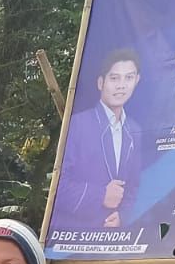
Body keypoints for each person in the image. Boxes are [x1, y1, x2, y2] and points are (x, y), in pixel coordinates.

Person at [59, 48, 144, 230]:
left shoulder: (134, 130)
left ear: (137, 80)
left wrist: (124, 216)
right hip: (75, 232)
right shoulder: (77, 124)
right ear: (100, 83)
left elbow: (134, 186)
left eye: (129, 78)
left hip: (115, 235)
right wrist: (100, 195)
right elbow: (58, 185)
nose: (121, 86)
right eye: (114, 78)